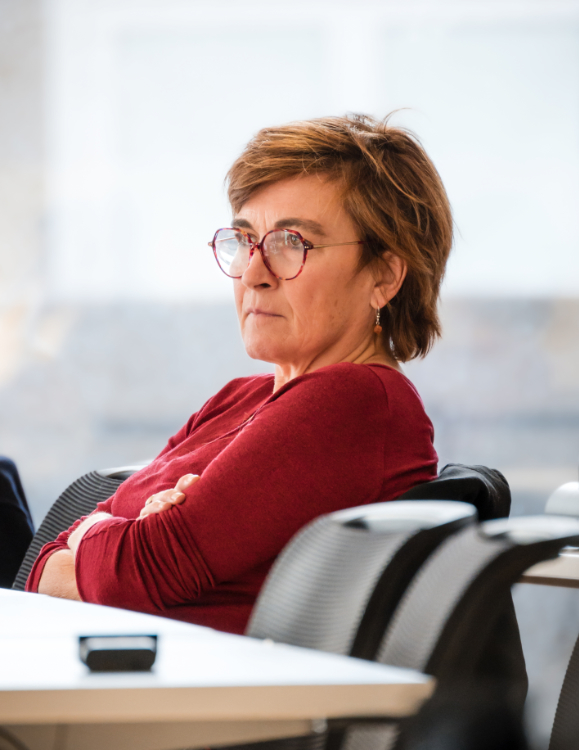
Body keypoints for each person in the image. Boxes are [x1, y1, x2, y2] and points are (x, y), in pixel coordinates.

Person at [26, 114, 453, 634]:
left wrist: (95, 534)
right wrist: (117, 540)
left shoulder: (356, 400)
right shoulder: (238, 398)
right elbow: (42, 566)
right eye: (246, 240)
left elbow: (134, 572)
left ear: (384, 276)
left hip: (222, 681)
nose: (253, 273)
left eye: (292, 243)